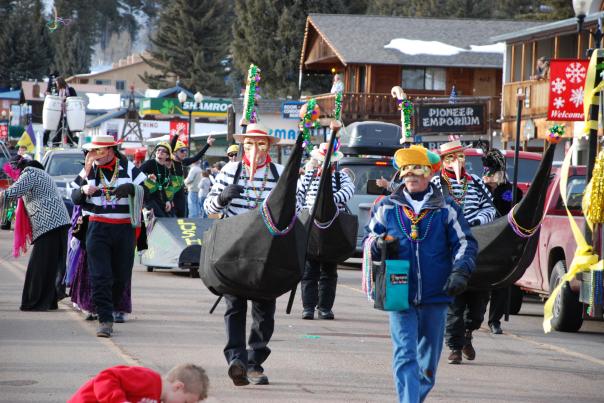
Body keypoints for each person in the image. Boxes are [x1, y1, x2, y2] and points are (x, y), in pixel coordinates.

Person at [364, 145, 477, 403]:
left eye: (416, 171)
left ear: (429, 173)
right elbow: (369, 238)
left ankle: (414, 396)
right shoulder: (387, 207)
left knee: (428, 366)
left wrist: (461, 270)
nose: (410, 176)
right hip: (398, 292)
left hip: (437, 294)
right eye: (405, 172)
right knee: (405, 354)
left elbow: (465, 243)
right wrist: (379, 244)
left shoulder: (447, 208)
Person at [203, 122, 283, 386]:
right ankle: (236, 360)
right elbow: (209, 208)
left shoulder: (279, 173)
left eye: (260, 144)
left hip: (266, 252)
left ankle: (254, 360)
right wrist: (222, 198)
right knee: (234, 306)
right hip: (233, 249)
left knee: (264, 310)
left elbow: (295, 209)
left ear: (269, 146)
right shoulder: (230, 169)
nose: (254, 150)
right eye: (249, 144)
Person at [71, 134, 146, 338]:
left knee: (120, 276)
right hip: (98, 228)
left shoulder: (128, 168)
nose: (94, 154)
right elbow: (74, 195)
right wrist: (84, 189)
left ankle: (110, 308)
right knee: (100, 276)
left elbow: (148, 190)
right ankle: (105, 319)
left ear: (111, 150)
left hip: (124, 230)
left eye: (98, 151)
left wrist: (132, 188)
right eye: (92, 150)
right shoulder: (90, 168)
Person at [431, 139, 496, 365]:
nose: (456, 161)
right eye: (450, 157)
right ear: (442, 161)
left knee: (478, 306)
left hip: (478, 246)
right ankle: (455, 347)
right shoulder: (436, 185)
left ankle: (468, 334)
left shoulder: (477, 183)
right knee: (454, 302)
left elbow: (491, 208)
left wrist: (475, 220)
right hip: (449, 249)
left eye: (460, 156)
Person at [0, 156, 70, 311]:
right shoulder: (41, 173)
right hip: (59, 222)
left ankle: (34, 302)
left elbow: (14, 192)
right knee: (49, 265)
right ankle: (49, 301)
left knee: (38, 265)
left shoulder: (30, 173)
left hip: (49, 222)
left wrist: (1, 195)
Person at [296, 141, 354, 320]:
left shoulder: (340, 177)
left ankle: (325, 308)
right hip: (311, 228)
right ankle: (308, 307)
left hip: (332, 229)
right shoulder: (308, 176)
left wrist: (327, 201)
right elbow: (298, 197)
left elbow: (349, 191)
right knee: (309, 271)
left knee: (329, 271)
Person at [481, 148, 523, 335]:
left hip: (504, 241)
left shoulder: (513, 191)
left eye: (495, 171)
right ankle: (473, 317)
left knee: (502, 283)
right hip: (484, 240)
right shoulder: (479, 188)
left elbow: (516, 213)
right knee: (479, 283)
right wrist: (488, 189)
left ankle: (495, 320)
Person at [68, 363, 209, 403]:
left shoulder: (160, 399)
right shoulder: (147, 379)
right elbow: (106, 376)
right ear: (178, 386)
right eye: (185, 402)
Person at [170, 135, 215, 218]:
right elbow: (169, 149)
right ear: (174, 152)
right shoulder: (169, 162)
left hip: (180, 194)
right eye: (182, 151)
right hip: (170, 195)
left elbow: (196, 157)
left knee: (182, 216)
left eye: (186, 150)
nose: (185, 153)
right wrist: (176, 135)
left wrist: (207, 145)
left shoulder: (183, 162)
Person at [140, 142, 175, 218]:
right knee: (160, 219)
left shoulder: (166, 170)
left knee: (168, 218)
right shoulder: (149, 163)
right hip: (147, 200)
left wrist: (167, 201)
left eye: (163, 151)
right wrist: (147, 176)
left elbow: (163, 187)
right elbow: (137, 175)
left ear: (167, 155)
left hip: (159, 200)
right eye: (158, 150)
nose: (160, 152)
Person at [44, 75, 78, 147]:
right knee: (58, 127)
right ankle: (56, 142)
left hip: (68, 111)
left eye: (57, 83)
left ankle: (70, 142)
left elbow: (75, 99)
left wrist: (67, 98)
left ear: (60, 83)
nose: (56, 85)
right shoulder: (56, 91)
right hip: (58, 111)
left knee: (69, 128)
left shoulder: (70, 90)